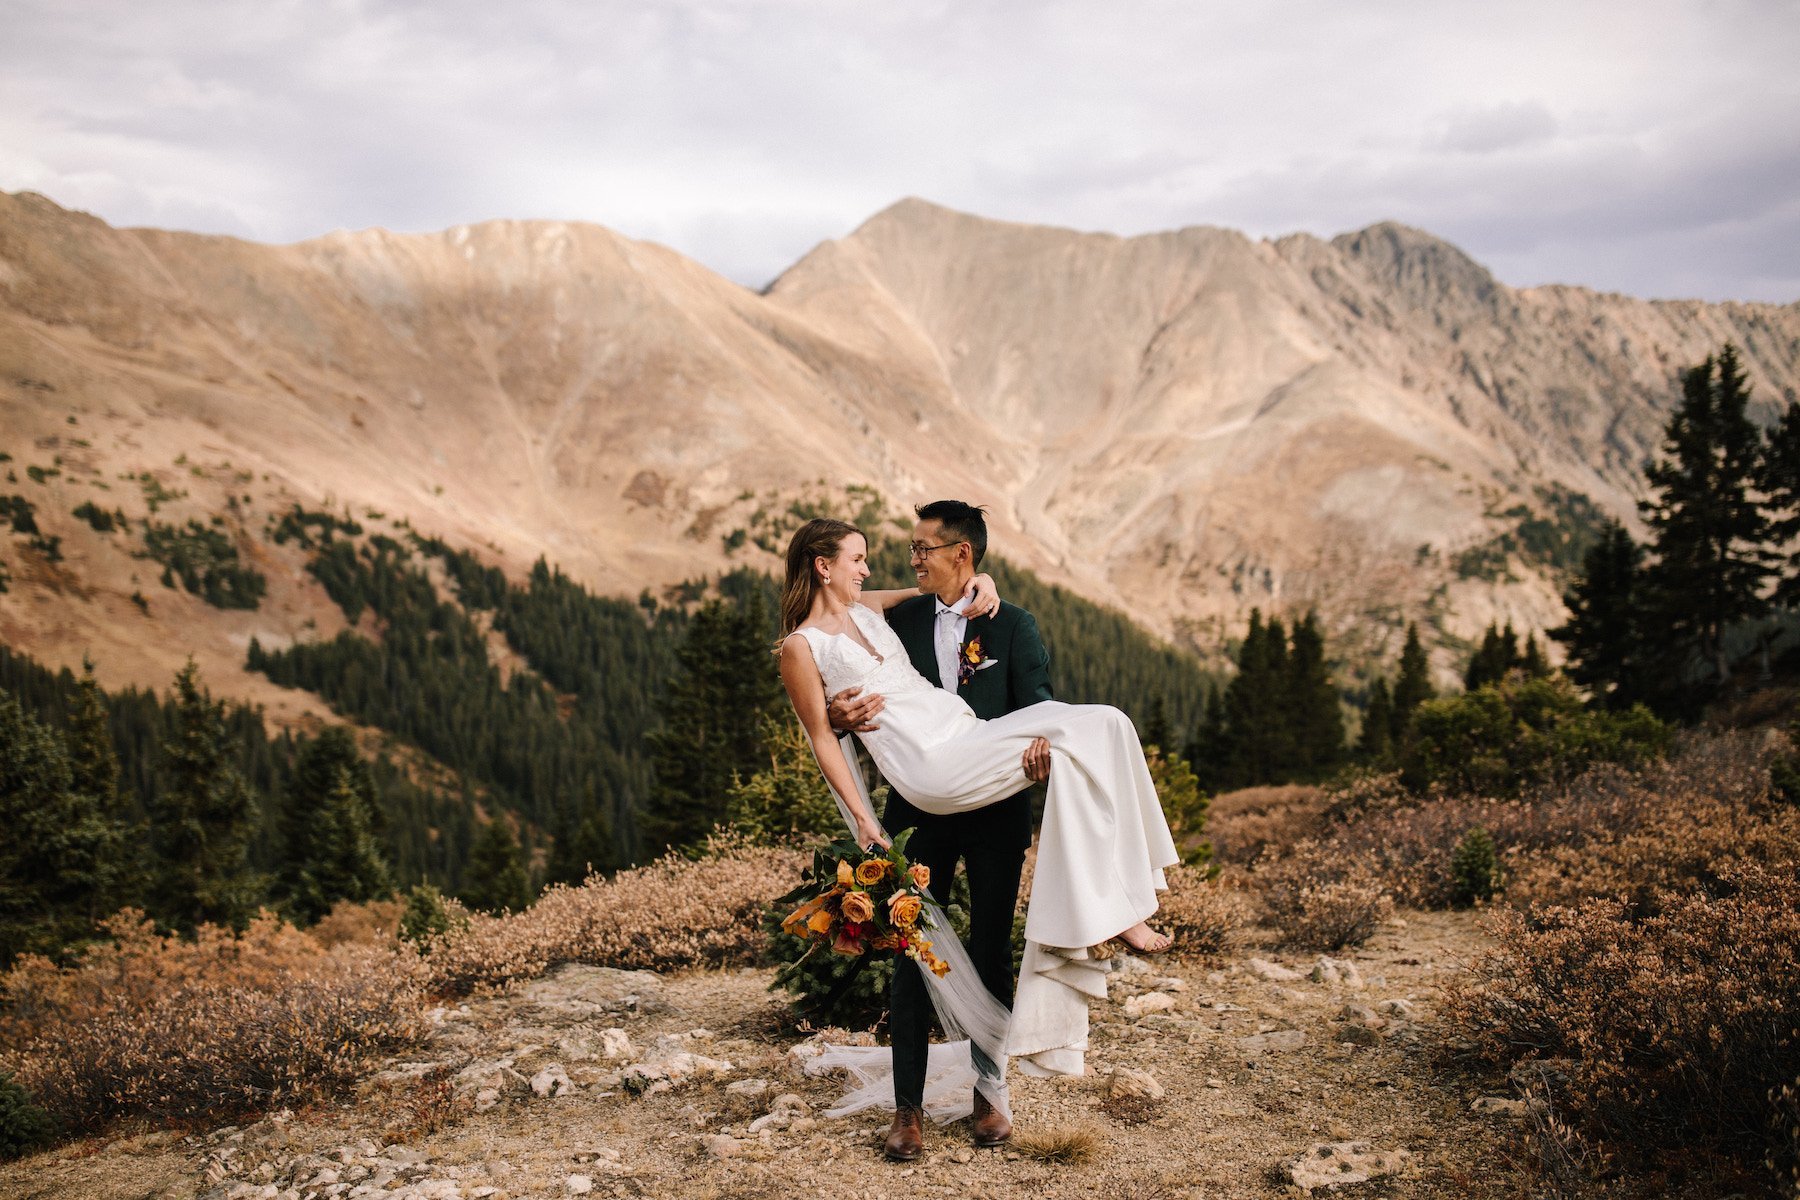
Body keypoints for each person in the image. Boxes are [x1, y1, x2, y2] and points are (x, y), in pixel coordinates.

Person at [778, 510, 1179, 1161]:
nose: (881, 565)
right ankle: (906, 1111)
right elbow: (822, 733)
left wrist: (978, 586)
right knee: (912, 957)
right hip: (926, 785)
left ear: (958, 552)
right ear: (823, 565)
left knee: (1106, 727)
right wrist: (860, 805)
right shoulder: (809, 641)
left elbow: (1022, 680)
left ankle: (993, 1091)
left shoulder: (1002, 621)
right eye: (860, 557)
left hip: (984, 770)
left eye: (919, 550)